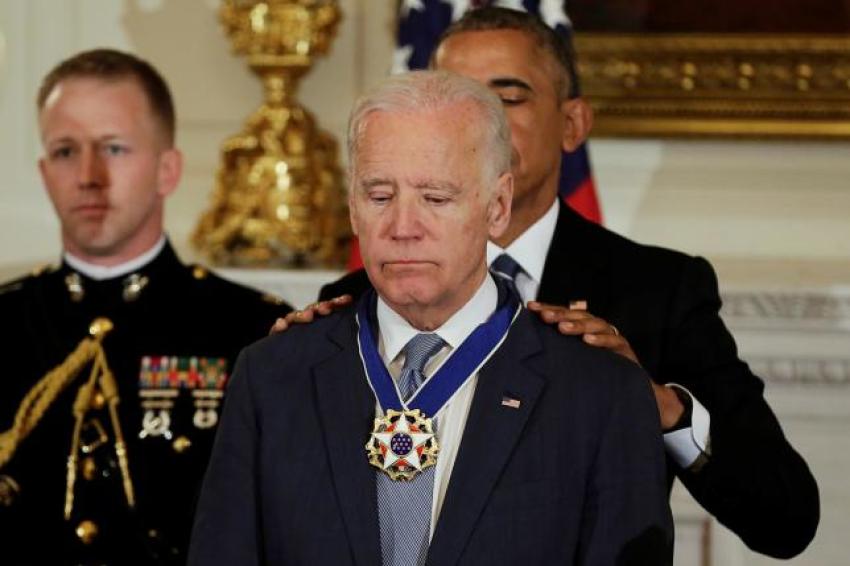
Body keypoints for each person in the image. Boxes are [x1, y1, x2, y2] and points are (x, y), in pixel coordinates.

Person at [302, 6, 819, 560]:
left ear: (572, 124)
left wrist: (658, 406)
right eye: (458, 98)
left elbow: (785, 519)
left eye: (509, 97)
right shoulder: (360, 295)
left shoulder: (657, 291)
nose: (480, 123)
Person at [189, 70, 673, 566]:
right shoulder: (273, 376)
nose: (402, 227)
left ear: (498, 206)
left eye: (436, 199)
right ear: (353, 208)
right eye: (379, 196)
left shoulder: (599, 392)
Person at [0, 49, 292, 565]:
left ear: (167, 170)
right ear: (45, 173)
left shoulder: (251, 330)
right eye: (66, 151)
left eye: (113, 148)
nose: (88, 175)